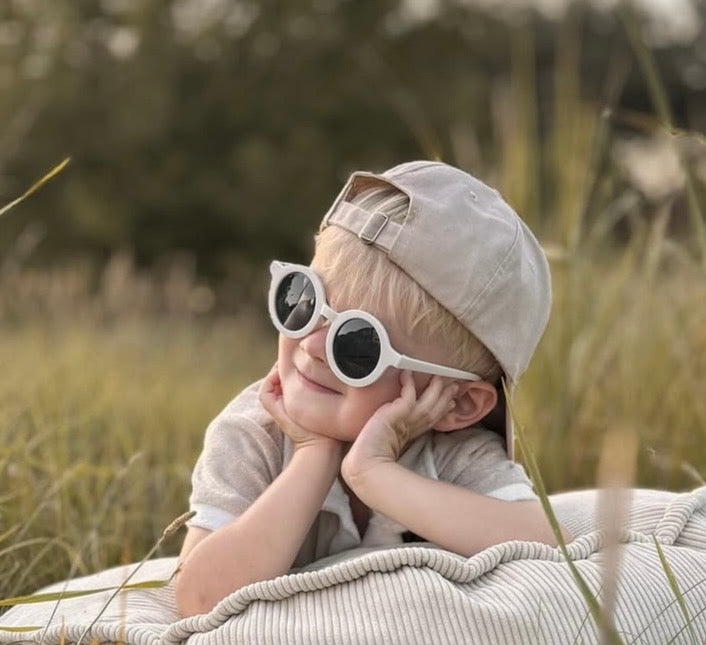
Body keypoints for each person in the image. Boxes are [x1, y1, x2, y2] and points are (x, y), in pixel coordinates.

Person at [173, 161, 557, 617]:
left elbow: (543, 544)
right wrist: (314, 456)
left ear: (458, 403)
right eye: (304, 300)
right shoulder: (251, 434)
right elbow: (197, 599)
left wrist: (374, 474)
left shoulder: (453, 453)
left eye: (357, 344)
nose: (312, 346)